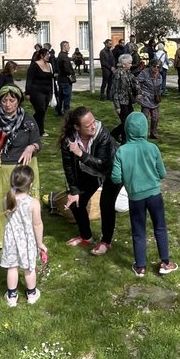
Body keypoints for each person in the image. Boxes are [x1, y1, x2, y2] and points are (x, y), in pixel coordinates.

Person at [0, 85, 42, 255]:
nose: (8, 104)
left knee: (22, 207)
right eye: (4, 100)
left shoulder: (28, 120)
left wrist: (30, 148)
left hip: (21, 171)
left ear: (18, 101)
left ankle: (26, 236)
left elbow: (37, 142)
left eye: (12, 100)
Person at [112, 111, 177, 278]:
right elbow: (162, 173)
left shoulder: (122, 151)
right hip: (155, 195)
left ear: (126, 129)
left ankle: (140, 266)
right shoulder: (152, 148)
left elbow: (115, 177)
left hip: (135, 198)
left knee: (138, 231)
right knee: (160, 227)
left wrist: (128, 179)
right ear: (145, 128)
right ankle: (165, 262)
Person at [59, 106, 120, 254]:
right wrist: (73, 190)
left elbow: (103, 165)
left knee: (106, 203)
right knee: (76, 202)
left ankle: (106, 241)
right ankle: (86, 237)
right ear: (76, 127)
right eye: (88, 125)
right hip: (89, 171)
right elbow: (69, 167)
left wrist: (80, 153)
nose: (93, 126)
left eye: (93, 121)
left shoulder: (102, 134)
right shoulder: (69, 140)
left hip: (113, 170)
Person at [0, 165, 47, 307]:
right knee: (29, 268)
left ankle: (12, 296)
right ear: (31, 184)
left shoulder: (6, 199)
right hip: (27, 240)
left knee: (12, 267)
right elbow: (37, 224)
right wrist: (40, 243)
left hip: (11, 239)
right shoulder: (34, 203)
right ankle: (31, 294)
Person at [109, 54, 140, 142]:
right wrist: (117, 106)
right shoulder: (118, 73)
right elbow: (115, 90)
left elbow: (134, 80)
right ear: (123, 64)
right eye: (129, 63)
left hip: (128, 100)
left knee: (130, 120)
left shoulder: (128, 72)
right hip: (121, 101)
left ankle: (123, 137)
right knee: (126, 121)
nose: (131, 65)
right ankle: (114, 134)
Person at [24, 48, 55, 135]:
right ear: (42, 55)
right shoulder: (34, 65)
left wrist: (52, 92)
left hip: (47, 92)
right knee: (40, 110)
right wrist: (27, 92)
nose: (49, 56)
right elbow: (29, 79)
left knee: (43, 112)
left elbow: (51, 79)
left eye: (49, 54)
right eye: (47, 55)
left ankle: (40, 130)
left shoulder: (49, 65)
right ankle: (30, 124)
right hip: (36, 92)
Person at [137, 59, 164, 139]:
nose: (156, 68)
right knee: (144, 116)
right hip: (145, 97)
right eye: (154, 66)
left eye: (158, 67)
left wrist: (159, 94)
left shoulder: (159, 76)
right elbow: (136, 82)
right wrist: (139, 92)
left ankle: (153, 133)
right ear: (151, 66)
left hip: (154, 99)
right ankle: (142, 133)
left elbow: (159, 87)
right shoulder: (145, 73)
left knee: (155, 117)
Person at [54, 40, 75, 116]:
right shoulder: (64, 57)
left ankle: (58, 110)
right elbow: (66, 69)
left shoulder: (60, 55)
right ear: (64, 47)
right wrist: (71, 73)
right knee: (66, 97)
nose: (69, 47)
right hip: (66, 80)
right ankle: (66, 113)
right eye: (68, 46)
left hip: (61, 79)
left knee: (61, 96)